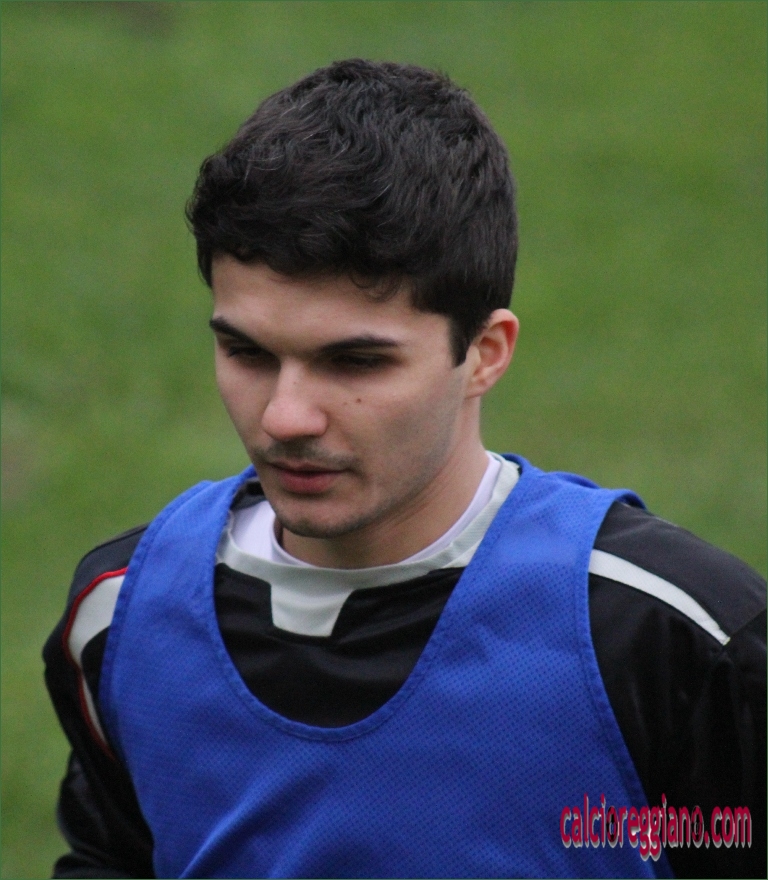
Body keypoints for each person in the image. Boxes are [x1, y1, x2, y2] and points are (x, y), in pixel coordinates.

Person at [44, 59, 765, 879]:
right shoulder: (122, 618)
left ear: (484, 353)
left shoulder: (673, 642)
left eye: (355, 362)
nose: (285, 417)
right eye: (246, 352)